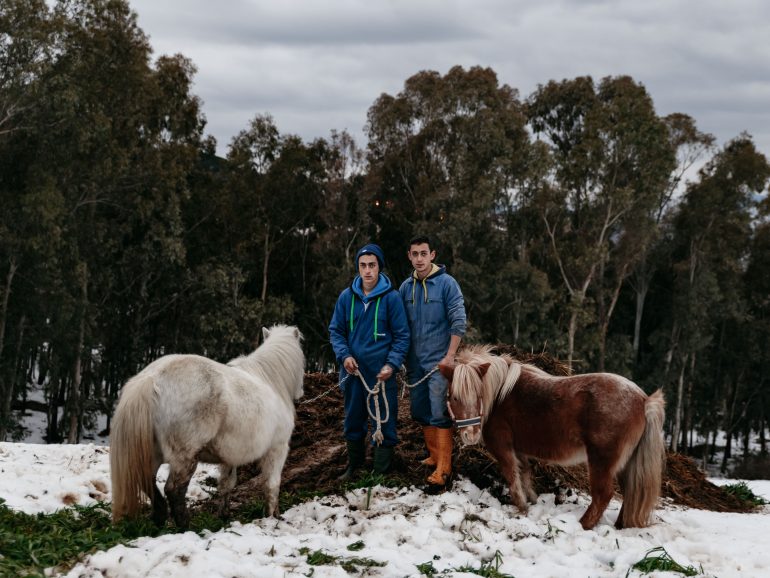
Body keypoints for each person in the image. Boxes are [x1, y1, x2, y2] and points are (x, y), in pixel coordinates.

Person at [329, 243, 410, 480]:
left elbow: (402, 336)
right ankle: (354, 466)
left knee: (383, 420)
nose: (367, 270)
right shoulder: (346, 297)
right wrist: (344, 356)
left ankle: (380, 471)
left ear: (379, 267)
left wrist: (392, 364)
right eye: (363, 265)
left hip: (381, 374)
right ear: (358, 268)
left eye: (372, 265)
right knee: (353, 419)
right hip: (353, 373)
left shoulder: (391, 299)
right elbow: (336, 331)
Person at [399, 235, 466, 486]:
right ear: (409, 256)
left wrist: (450, 357)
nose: (419, 259)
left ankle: (445, 469)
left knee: (439, 412)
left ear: (433, 255)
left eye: (423, 253)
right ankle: (434, 455)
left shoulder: (447, 284)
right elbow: (399, 324)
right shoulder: (406, 288)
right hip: (415, 363)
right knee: (420, 411)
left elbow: (459, 320)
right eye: (414, 254)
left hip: (439, 362)